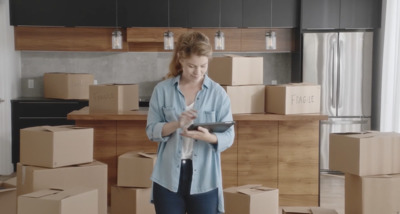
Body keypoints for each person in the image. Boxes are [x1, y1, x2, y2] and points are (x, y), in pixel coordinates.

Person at [146, 31, 235, 214]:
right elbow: (151, 131)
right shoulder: (162, 90)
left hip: (205, 177)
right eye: (192, 66)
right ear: (180, 59)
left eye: (203, 66)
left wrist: (209, 137)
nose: (198, 72)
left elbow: (229, 136)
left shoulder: (218, 94)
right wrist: (176, 124)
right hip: (168, 176)